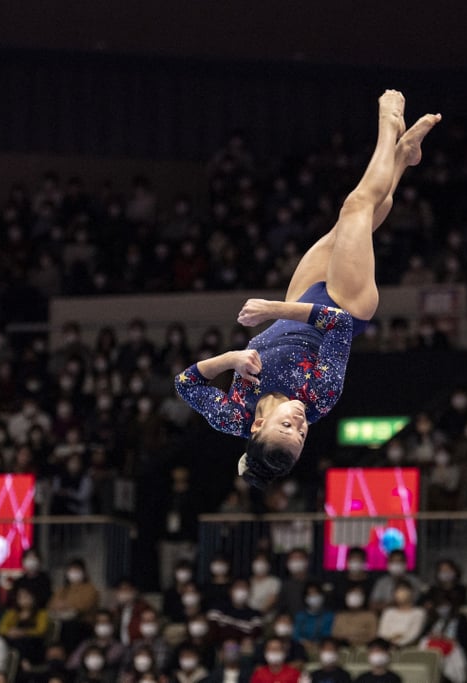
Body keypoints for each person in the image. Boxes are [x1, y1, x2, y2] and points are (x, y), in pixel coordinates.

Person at [176, 91, 441, 489]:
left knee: (356, 222)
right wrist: (272, 309)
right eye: (301, 436)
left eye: (288, 427)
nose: (300, 425)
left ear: (258, 425)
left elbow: (185, 384)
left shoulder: (233, 415)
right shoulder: (319, 398)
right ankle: (389, 128)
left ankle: (404, 157)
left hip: (298, 303)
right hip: (346, 308)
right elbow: (336, 324)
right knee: (355, 208)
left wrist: (231, 359)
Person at [0, 587, 49, 667]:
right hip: (13, 639)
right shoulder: (12, 612)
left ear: (33, 598)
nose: (24, 600)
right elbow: (1, 628)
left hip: (32, 641)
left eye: (27, 597)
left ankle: (24, 661)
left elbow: (40, 630)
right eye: (21, 597)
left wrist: (23, 632)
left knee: (24, 642)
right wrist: (10, 632)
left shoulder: (41, 613)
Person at [377, 580, 426, 647]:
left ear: (412, 592)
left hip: (408, 649)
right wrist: (391, 641)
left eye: (403, 590)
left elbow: (413, 635)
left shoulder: (419, 612)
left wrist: (397, 643)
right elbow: (382, 633)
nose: (400, 593)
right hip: (387, 648)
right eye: (397, 591)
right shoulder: (388, 612)